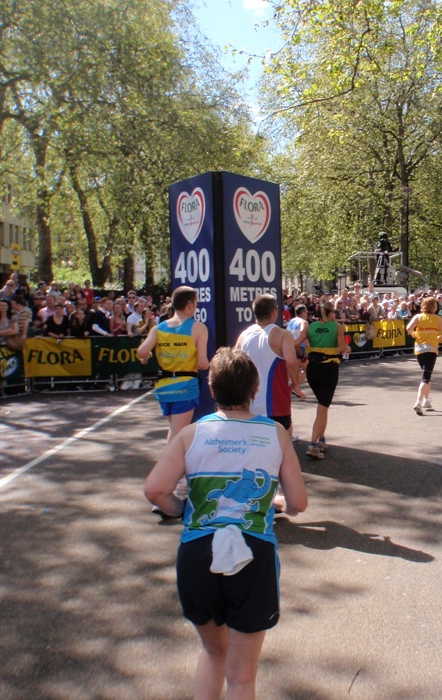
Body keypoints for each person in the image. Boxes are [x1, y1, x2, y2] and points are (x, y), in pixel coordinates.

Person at [144, 347, 308, 700]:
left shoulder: (190, 434)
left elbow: (156, 490)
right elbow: (298, 503)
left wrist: (181, 509)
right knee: (242, 676)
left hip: (198, 554)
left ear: (212, 389)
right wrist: (278, 506)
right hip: (253, 555)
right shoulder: (275, 433)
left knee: (213, 652)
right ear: (254, 389)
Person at [137, 286, 211, 443]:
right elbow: (203, 364)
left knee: (176, 430)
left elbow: (142, 352)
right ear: (190, 305)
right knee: (177, 434)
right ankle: (169, 465)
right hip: (185, 387)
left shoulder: (159, 329)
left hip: (164, 387)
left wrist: (150, 355)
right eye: (196, 303)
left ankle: (178, 464)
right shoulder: (198, 328)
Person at [235, 295, 305, 439]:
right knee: (282, 445)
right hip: (275, 402)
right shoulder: (282, 334)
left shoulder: (244, 335)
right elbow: (291, 363)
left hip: (249, 403)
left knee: (254, 446)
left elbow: (234, 364)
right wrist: (296, 383)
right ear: (274, 312)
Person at [303, 301, 349, 459]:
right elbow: (343, 349)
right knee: (322, 408)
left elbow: (297, 343)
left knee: (323, 405)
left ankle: (321, 439)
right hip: (328, 369)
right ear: (331, 314)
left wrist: (304, 355)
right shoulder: (337, 327)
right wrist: (348, 348)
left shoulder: (310, 326)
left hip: (312, 370)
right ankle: (313, 444)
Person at [405, 296, 442, 415]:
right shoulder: (438, 319)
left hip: (419, 349)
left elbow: (408, 328)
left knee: (426, 374)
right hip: (431, 349)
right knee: (425, 377)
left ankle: (426, 400)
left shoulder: (418, 317)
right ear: (434, 307)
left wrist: (414, 334)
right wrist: (439, 337)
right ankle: (418, 402)